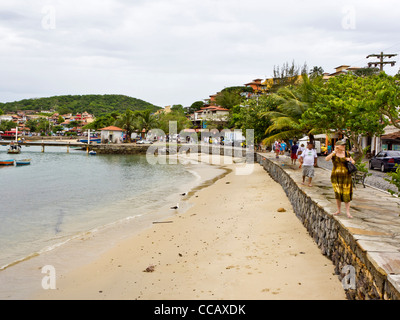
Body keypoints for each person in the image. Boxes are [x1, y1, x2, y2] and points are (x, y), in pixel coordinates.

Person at [325, 140, 355, 218]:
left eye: (344, 145)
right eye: (342, 145)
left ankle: (348, 212)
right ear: (337, 146)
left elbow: (353, 161)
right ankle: (338, 210)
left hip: (346, 176)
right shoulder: (334, 154)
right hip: (336, 176)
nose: (344, 146)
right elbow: (326, 159)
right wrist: (334, 152)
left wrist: (350, 160)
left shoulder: (347, 154)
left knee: (346, 193)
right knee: (337, 193)